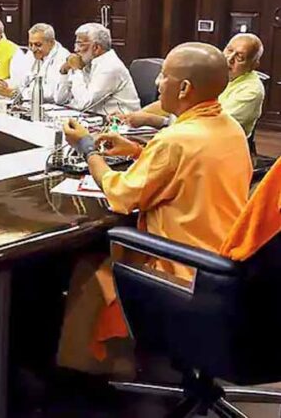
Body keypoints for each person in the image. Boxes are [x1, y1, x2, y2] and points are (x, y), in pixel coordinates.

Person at [59, 42, 252, 376]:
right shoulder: (231, 129)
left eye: (164, 75)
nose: (158, 82)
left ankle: (90, 374)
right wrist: (137, 151)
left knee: (90, 270)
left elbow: (120, 194)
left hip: (185, 272)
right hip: (229, 267)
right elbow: (187, 169)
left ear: (185, 88)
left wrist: (88, 148)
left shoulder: (176, 139)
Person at [122, 33, 266, 138]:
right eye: (229, 50)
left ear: (253, 65)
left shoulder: (252, 91)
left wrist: (157, 121)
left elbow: (211, 126)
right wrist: (137, 116)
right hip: (186, 132)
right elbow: (172, 99)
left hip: (211, 141)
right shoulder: (216, 72)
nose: (229, 59)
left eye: (239, 57)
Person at [55, 23, 140, 115]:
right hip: (94, 117)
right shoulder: (87, 62)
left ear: (96, 48)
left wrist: (76, 70)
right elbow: (60, 100)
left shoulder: (110, 67)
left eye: (80, 44)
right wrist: (64, 72)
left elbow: (83, 103)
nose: (75, 49)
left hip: (121, 121)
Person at [0, 23, 70, 102]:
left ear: (51, 42)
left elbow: (51, 94)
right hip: (31, 101)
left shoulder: (62, 57)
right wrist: (5, 84)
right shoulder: (31, 53)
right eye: (30, 44)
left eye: (38, 45)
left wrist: (16, 93)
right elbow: (22, 80)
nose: (33, 49)